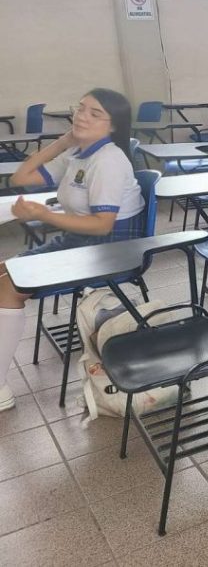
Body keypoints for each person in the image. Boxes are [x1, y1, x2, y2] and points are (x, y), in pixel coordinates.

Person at [0, 88, 144, 413]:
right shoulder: (79, 153)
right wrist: (64, 141)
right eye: (80, 109)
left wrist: (43, 215)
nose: (82, 116)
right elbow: (21, 177)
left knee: (9, 287)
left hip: (110, 248)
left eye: (95, 113)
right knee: (2, 270)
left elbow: (103, 225)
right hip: (79, 239)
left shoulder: (108, 160)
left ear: (113, 125)